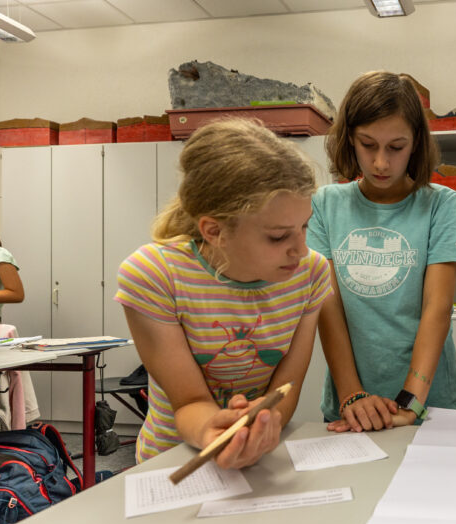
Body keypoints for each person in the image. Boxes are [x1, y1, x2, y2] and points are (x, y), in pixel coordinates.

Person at [115, 118, 332, 468]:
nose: (301, 250)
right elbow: (188, 402)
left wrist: (265, 422)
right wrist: (215, 433)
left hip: (261, 460)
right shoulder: (154, 274)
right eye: (278, 236)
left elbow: (285, 389)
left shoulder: (310, 273)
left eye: (304, 226)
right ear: (214, 231)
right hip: (172, 460)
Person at [307, 71, 456, 433]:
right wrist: (351, 395)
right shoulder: (325, 204)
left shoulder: (440, 204)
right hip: (349, 405)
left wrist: (410, 401)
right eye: (368, 145)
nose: (381, 163)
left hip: (427, 403)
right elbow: (328, 308)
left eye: (396, 147)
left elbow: (437, 308)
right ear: (349, 139)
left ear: (416, 144)